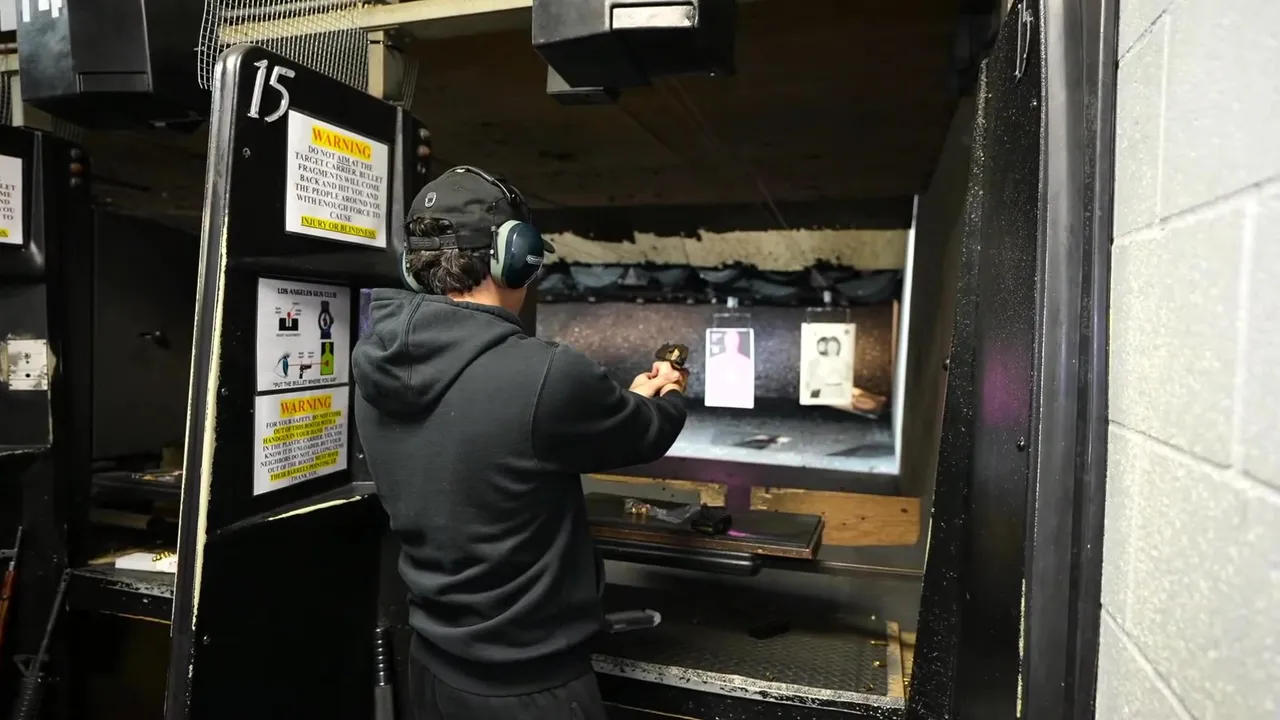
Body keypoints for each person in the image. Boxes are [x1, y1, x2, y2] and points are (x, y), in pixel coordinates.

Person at [351, 166, 687, 720]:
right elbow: (645, 432)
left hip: (430, 669)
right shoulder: (547, 374)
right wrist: (667, 392)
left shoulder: (373, 366)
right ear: (516, 255)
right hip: (529, 687)